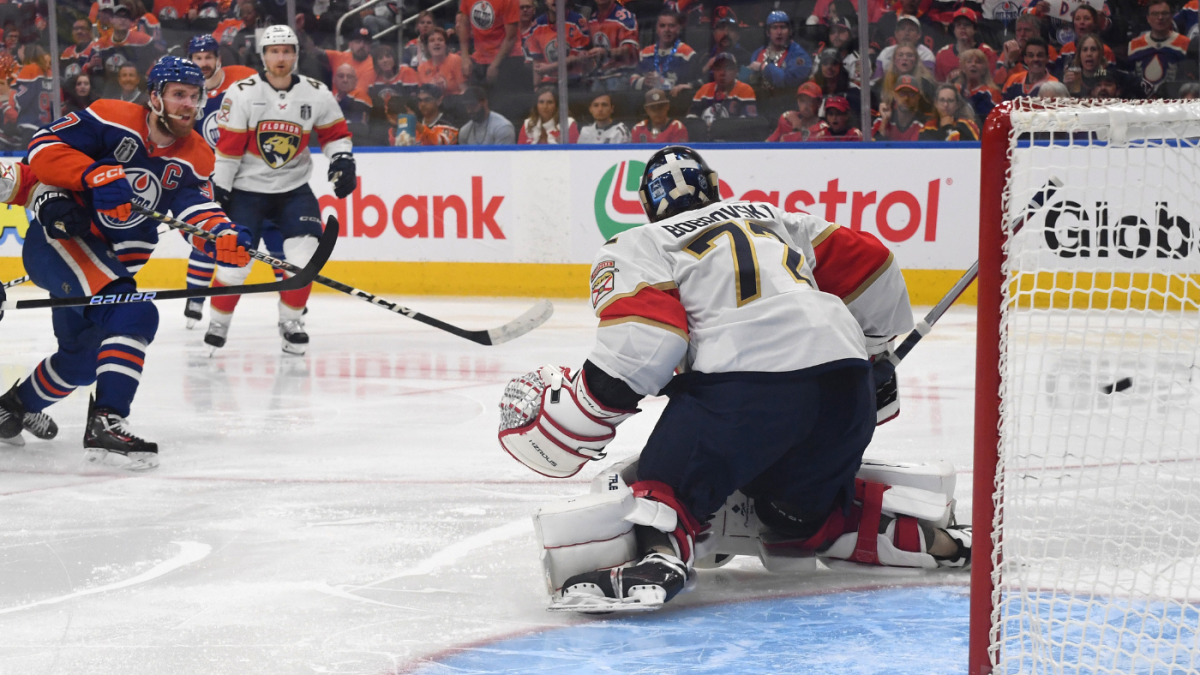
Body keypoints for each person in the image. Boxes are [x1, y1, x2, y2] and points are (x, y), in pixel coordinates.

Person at [497, 146, 970, 611]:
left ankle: (659, 556)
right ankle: (907, 536)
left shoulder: (642, 242)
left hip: (747, 394)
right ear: (717, 187)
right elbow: (874, 264)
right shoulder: (776, 218)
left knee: (661, 485)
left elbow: (647, 342)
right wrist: (874, 352)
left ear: (647, 208)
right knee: (792, 517)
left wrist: (588, 404)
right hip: (846, 391)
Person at [0, 56, 252, 469]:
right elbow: (42, 150)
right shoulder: (110, 117)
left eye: (194, 96)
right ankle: (107, 419)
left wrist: (220, 236)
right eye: (178, 95)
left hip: (108, 266)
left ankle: (10, 407)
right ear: (155, 98)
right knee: (134, 314)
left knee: (80, 361)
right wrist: (92, 174)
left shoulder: (198, 157)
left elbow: (195, 211)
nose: (188, 104)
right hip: (62, 242)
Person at [208, 25, 356, 356]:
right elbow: (228, 151)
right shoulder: (242, 93)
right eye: (274, 51)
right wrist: (220, 189)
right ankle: (219, 321)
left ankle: (291, 322)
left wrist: (342, 160)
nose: (281, 57)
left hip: (293, 189)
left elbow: (334, 134)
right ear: (263, 56)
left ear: (296, 55)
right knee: (235, 267)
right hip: (247, 190)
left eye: (287, 50)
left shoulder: (316, 92)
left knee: (304, 260)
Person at [181, 34, 260, 329]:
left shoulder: (244, 79)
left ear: (218, 59)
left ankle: (291, 300)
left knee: (261, 235)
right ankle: (194, 299)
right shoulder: (187, 91)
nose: (203, 63)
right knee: (206, 233)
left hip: (245, 173)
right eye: (198, 58)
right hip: (206, 176)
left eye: (207, 57)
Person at [631, 9, 699, 103]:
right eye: (662, 26)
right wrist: (643, 82)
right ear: (657, 29)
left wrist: (689, 86)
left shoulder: (687, 54)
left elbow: (701, 81)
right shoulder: (645, 53)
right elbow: (632, 80)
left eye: (671, 26)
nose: (666, 30)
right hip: (648, 103)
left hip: (676, 103)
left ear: (678, 29)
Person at [1127, 0, 1190, 97]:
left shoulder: (1185, 43)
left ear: (1171, 16)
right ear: (1148, 18)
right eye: (1155, 14)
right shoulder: (1134, 45)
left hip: (1174, 103)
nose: (1160, 18)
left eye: (1164, 13)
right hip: (1141, 105)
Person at [93, 0, 162, 84]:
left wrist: (148, 76)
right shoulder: (102, 44)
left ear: (131, 22)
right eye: (118, 17)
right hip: (111, 86)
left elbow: (160, 57)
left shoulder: (143, 40)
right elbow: (92, 70)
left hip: (138, 85)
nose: (122, 20)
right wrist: (90, 66)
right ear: (111, 20)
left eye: (126, 17)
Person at [457, 0, 521, 86]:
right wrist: (465, 57)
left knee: (503, 98)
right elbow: (464, 25)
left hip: (507, 58)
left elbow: (511, 37)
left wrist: (495, 65)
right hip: (479, 58)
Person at [526, 0, 590, 86]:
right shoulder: (537, 25)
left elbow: (579, 58)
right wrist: (536, 87)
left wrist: (550, 67)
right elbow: (537, 63)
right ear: (545, 1)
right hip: (549, 83)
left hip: (574, 81)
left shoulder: (578, 21)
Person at [748, 11, 813, 94]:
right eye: (774, 28)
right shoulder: (757, 53)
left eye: (783, 27)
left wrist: (763, 67)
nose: (779, 32)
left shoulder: (800, 56)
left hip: (787, 103)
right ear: (768, 32)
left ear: (790, 31)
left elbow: (789, 82)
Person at [688, 53, 757, 127]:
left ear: (735, 71)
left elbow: (748, 124)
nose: (722, 73)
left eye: (727, 68)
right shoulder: (704, 91)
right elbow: (691, 120)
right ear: (713, 72)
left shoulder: (745, 90)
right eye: (718, 68)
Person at [585, 0, 639, 92]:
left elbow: (629, 50)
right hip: (600, 76)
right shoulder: (592, 19)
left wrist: (606, 52)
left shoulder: (625, 17)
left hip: (621, 74)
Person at [934, 8, 997, 83]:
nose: (962, 28)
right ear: (954, 30)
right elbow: (939, 84)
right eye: (958, 25)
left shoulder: (987, 53)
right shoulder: (942, 54)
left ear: (975, 29)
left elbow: (992, 82)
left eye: (967, 24)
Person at [874, 15, 936, 81]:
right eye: (902, 29)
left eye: (911, 30)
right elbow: (876, 80)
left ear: (918, 35)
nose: (906, 33)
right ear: (896, 33)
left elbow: (928, 82)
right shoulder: (886, 52)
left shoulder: (926, 54)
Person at [325, 21, 376, 101]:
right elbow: (312, 51)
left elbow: (358, 95)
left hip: (357, 107)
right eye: (358, 42)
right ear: (350, 45)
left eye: (366, 42)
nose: (362, 45)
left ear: (370, 47)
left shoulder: (375, 65)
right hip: (333, 106)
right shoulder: (338, 57)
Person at [13, 47, 55, 142]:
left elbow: (23, 100)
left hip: (30, 124)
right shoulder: (50, 73)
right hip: (46, 126)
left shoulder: (29, 69)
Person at [874, 74, 929, 140]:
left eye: (911, 94)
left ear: (918, 97)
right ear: (894, 95)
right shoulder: (881, 120)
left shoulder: (925, 123)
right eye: (902, 93)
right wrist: (884, 121)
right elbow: (872, 148)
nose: (906, 98)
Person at [953, 48, 1000, 120]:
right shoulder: (954, 90)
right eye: (969, 61)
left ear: (984, 70)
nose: (973, 64)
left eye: (978, 62)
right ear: (963, 68)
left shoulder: (992, 93)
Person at [417, 27, 466, 95]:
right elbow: (421, 95)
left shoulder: (455, 60)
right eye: (432, 40)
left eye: (440, 40)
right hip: (432, 104)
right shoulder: (421, 68)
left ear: (446, 44)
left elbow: (464, 90)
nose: (437, 43)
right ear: (427, 47)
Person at [334, 64, 374, 141]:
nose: (345, 80)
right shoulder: (331, 98)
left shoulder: (360, 95)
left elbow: (356, 127)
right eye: (341, 76)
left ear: (355, 81)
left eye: (349, 77)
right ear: (334, 80)